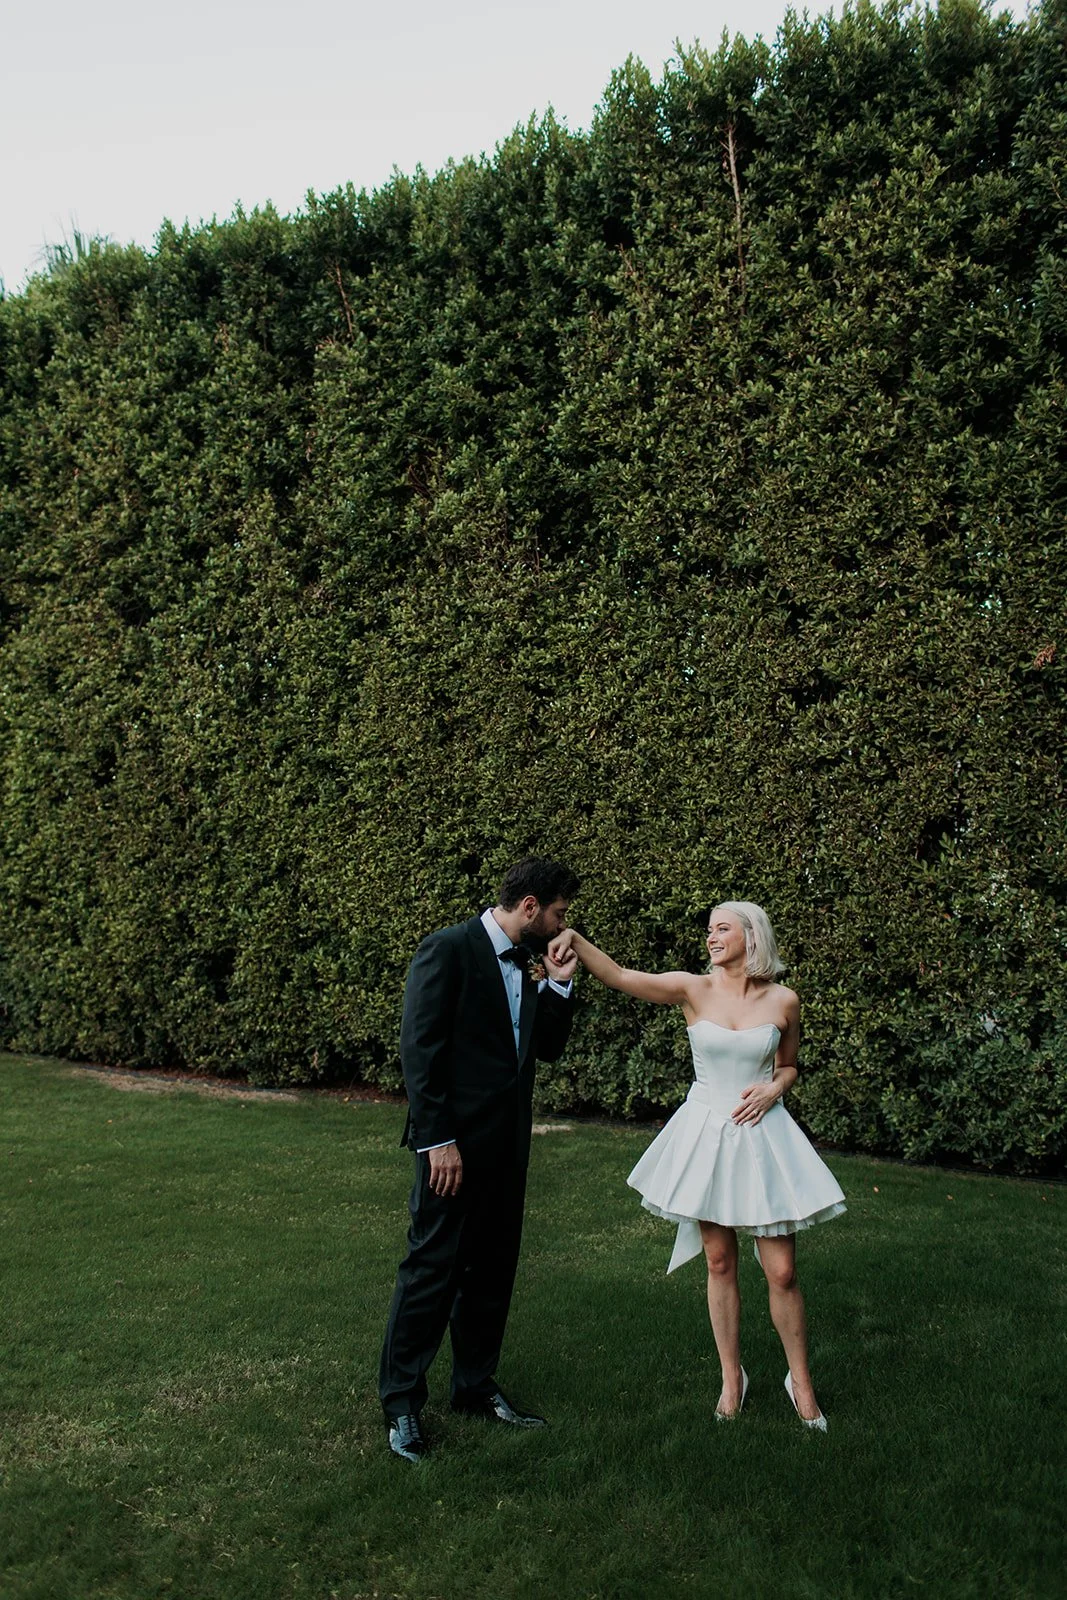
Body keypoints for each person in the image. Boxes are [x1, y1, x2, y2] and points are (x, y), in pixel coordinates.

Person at [549, 901, 844, 1431]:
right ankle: (733, 1379)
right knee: (719, 1261)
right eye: (708, 930)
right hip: (707, 1134)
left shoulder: (784, 1000)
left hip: (763, 1136)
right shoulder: (692, 989)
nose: (711, 938)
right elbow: (618, 976)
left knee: (782, 1270)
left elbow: (790, 1065)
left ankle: (800, 1381)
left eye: (722, 929)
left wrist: (776, 1086)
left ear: (751, 936)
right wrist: (572, 937)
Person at [379, 856, 580, 1462]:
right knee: (431, 1272)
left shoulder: (531, 960)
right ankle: (402, 1406)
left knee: (492, 1273)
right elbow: (421, 1049)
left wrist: (561, 984)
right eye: (559, 913)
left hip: (507, 1149)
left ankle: (473, 1387)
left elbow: (544, 1049)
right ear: (529, 908)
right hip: (452, 1152)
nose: (562, 924)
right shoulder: (447, 950)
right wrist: (436, 1139)